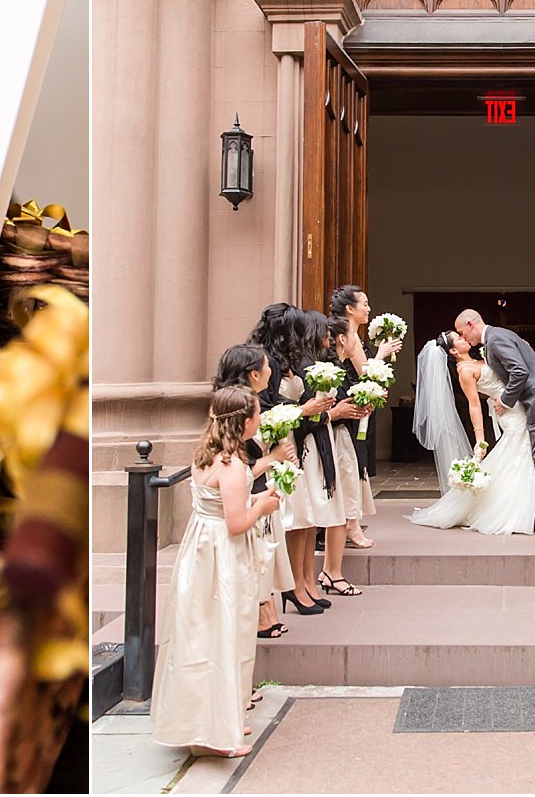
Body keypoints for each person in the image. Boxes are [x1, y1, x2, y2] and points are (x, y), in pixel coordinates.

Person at [149, 385, 283, 757]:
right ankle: (217, 737)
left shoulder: (206, 456)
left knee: (200, 637)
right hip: (222, 556)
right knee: (227, 635)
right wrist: (264, 507)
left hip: (200, 551)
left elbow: (220, 503)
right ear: (245, 422)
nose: (260, 419)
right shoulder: (234, 464)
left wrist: (253, 498)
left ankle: (212, 719)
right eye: (257, 413)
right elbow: (236, 522)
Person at [248, 305, 335, 615]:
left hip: (295, 441)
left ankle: (304, 582)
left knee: (304, 518)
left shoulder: (289, 362)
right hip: (278, 446)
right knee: (292, 518)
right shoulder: (265, 361)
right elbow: (266, 407)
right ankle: (292, 587)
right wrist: (304, 410)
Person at [408, 331, 535, 535]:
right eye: (458, 338)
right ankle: (512, 509)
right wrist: (480, 440)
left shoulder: (480, 358)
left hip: (514, 405)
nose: (463, 337)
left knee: (518, 454)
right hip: (507, 412)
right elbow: (474, 405)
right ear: (453, 350)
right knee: (518, 453)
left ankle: (516, 504)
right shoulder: (464, 370)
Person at [455, 309, 535, 531]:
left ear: (470, 324)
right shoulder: (498, 336)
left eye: (462, 332)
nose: (464, 337)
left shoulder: (496, 338)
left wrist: (505, 401)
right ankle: (534, 513)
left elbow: (520, 371)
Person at [213, 343, 297, 638]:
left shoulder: (254, 403)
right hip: (248, 493)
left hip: (257, 491)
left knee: (266, 550)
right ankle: (261, 615)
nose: (271, 370)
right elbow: (237, 467)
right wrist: (273, 459)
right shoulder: (234, 414)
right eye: (266, 366)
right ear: (252, 374)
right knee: (257, 552)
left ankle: (267, 609)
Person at [317, 314, 373, 594]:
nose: (357, 341)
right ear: (341, 339)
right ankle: (331, 572)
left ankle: (332, 571)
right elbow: (325, 407)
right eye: (353, 336)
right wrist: (341, 411)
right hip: (335, 439)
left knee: (343, 500)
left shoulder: (340, 367)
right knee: (339, 501)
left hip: (342, 435)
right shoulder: (327, 369)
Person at [328, 286, 405, 482]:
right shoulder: (348, 335)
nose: (369, 308)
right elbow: (365, 373)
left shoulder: (354, 334)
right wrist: (382, 353)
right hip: (349, 402)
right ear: (350, 309)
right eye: (365, 304)